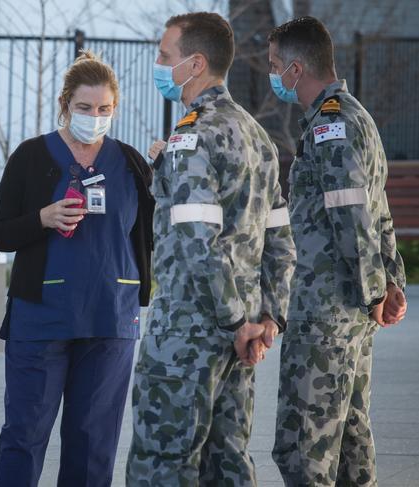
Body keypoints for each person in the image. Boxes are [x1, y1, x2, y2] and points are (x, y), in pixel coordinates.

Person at [126, 12, 296, 486]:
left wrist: (236, 321)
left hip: (188, 331)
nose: (158, 63)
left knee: (162, 462)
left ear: (195, 63)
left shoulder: (192, 135)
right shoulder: (255, 134)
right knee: (227, 463)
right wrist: (267, 320)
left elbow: (198, 242)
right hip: (238, 338)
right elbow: (280, 237)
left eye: (165, 55)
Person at [0, 50, 155, 487]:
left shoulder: (132, 163)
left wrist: (169, 173)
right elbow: (1, 234)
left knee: (93, 442)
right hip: (42, 316)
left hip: (111, 317)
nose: (94, 117)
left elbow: (155, 233)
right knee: (24, 435)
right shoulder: (30, 156)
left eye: (104, 109)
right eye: (84, 108)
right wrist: (41, 218)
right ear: (65, 104)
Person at [267, 16, 407, 486]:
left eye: (273, 66)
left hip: (326, 313)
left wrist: (376, 293)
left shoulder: (331, 126)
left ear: (296, 68)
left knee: (303, 448)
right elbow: (378, 210)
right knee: (349, 440)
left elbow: (352, 216)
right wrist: (389, 282)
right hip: (351, 311)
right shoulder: (355, 117)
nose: (272, 76)